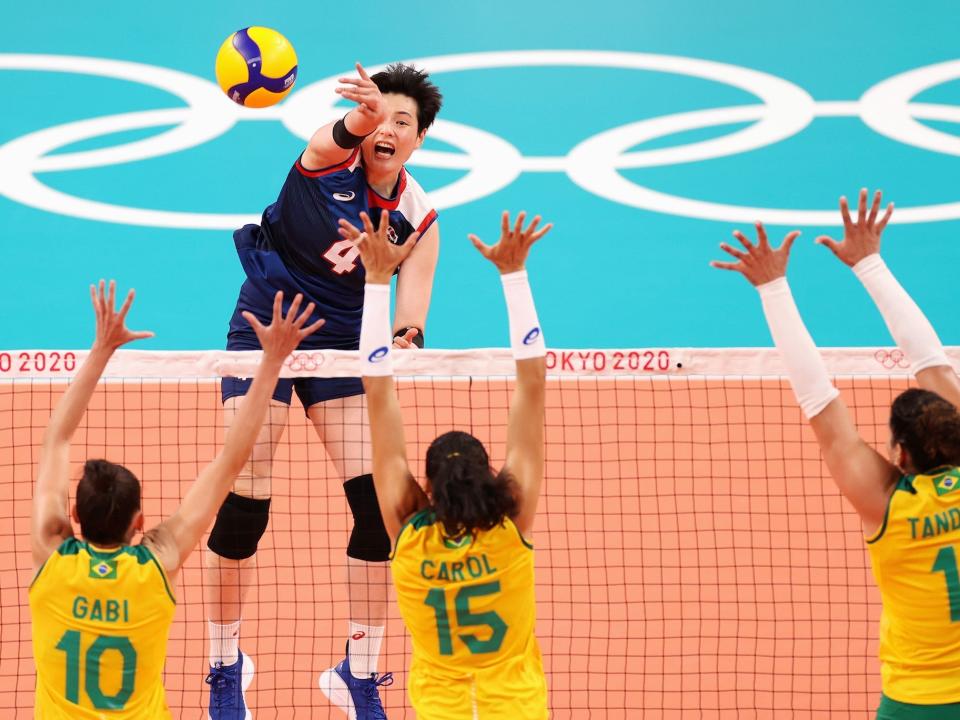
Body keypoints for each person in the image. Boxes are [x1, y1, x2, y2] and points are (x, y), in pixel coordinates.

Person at [210, 61, 443, 719]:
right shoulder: (323, 161)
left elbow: (412, 310)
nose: (388, 130)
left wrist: (406, 337)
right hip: (269, 328)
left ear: (420, 139)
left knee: (379, 511)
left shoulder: (419, 216)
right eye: (380, 118)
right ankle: (224, 665)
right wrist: (359, 117)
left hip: (344, 346)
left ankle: (357, 672)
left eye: (404, 122)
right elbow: (332, 134)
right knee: (243, 503)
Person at [712, 189, 960, 719]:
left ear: (898, 453)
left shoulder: (888, 505)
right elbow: (933, 361)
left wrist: (773, 287)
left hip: (918, 703)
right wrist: (870, 263)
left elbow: (821, 404)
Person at [29, 281, 322, 719]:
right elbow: (232, 460)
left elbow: (56, 440)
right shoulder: (156, 563)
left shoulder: (53, 557)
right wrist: (272, 364)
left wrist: (101, 350)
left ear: (73, 515)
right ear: (139, 521)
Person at [343, 208, 552, 719]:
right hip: (517, 708)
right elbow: (533, 385)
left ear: (428, 488)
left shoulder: (409, 534)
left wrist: (375, 280)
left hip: (442, 709)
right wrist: (515, 274)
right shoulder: (509, 526)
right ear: (489, 478)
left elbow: (375, 392)